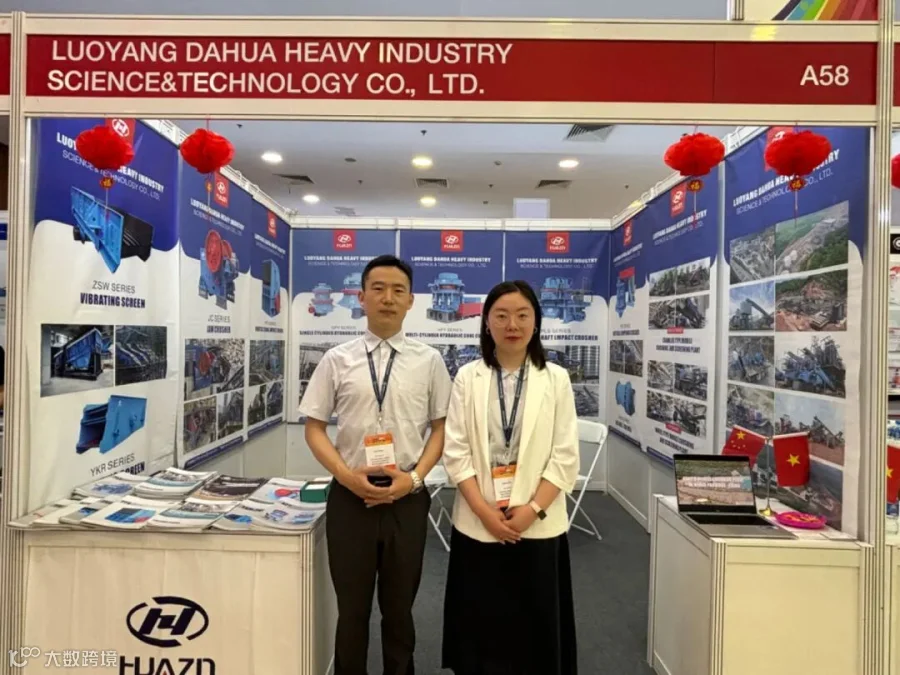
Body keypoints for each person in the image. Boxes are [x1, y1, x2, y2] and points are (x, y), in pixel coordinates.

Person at [299, 254, 453, 675]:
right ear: (361, 297)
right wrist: (347, 477)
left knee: (399, 609)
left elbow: (441, 428)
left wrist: (415, 478)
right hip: (351, 499)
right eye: (378, 289)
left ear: (411, 301)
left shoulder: (429, 360)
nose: (388, 298)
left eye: (398, 290)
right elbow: (314, 428)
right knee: (352, 610)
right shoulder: (337, 359)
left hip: (407, 499)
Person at [441, 280, 580, 675]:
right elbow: (456, 451)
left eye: (522, 315)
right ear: (487, 323)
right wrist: (484, 512)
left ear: (536, 322)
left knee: (535, 629)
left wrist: (532, 509)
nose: (512, 325)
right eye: (501, 316)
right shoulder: (468, 376)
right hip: (478, 521)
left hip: (537, 523)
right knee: (481, 626)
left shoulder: (555, 378)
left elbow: (565, 455)